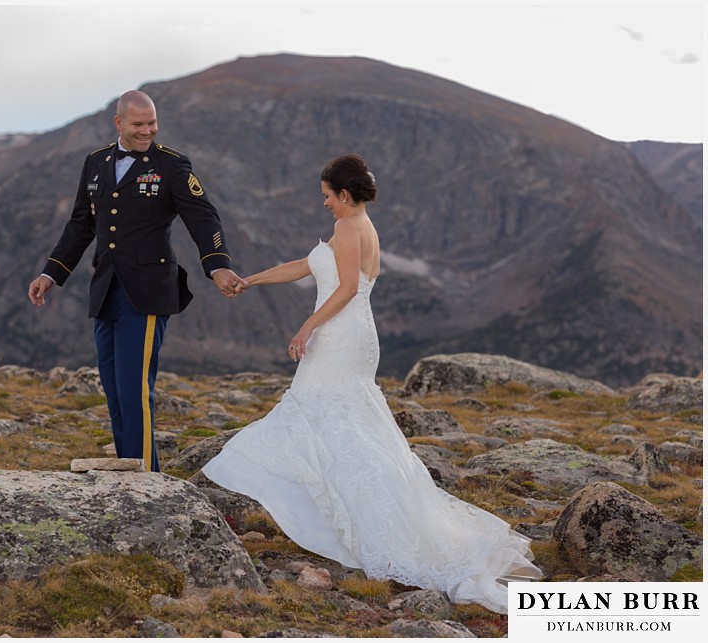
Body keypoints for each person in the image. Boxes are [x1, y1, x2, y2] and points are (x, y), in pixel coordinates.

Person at [202, 154, 541, 614]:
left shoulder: (349, 228)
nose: (324, 204)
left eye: (327, 196)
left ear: (344, 194)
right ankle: (357, 508)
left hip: (340, 334)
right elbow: (307, 265)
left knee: (326, 419)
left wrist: (306, 327)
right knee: (349, 426)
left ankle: (367, 521)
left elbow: (342, 289)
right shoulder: (363, 225)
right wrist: (252, 280)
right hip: (353, 334)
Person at [28, 90, 245, 472]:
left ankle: (143, 479)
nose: (147, 131)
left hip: (147, 291)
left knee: (134, 389)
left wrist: (217, 264)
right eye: (138, 124)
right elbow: (81, 224)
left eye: (152, 123)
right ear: (119, 123)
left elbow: (204, 217)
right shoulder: (95, 163)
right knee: (113, 388)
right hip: (106, 289)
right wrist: (52, 273)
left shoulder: (172, 165)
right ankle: (129, 470)